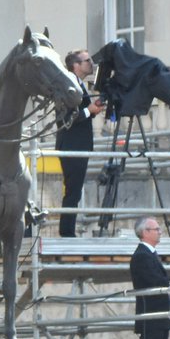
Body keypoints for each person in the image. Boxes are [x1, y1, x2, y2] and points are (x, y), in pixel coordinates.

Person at [56, 49, 105, 237]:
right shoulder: (68, 86)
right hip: (71, 145)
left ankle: (67, 231)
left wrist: (92, 109)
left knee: (74, 191)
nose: (91, 64)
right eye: (87, 61)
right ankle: (66, 233)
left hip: (77, 145)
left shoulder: (78, 84)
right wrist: (89, 110)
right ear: (76, 65)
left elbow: (81, 112)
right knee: (72, 191)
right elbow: (65, 118)